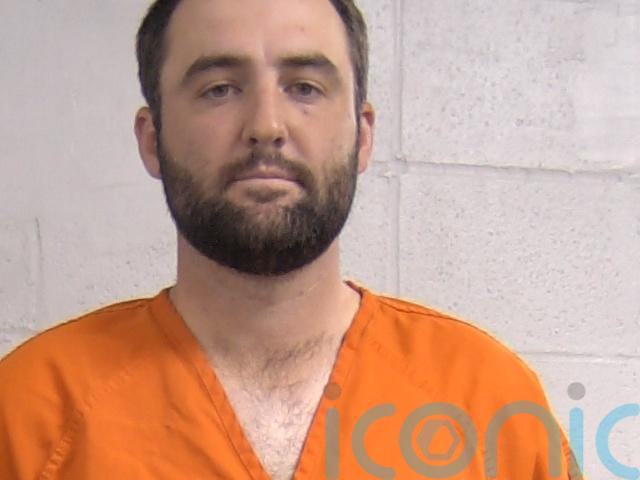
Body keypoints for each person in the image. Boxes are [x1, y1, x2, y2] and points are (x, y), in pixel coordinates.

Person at [0, 0, 582, 478]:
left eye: (304, 87)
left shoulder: (489, 403)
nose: (266, 126)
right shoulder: (29, 414)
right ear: (153, 139)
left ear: (362, 136)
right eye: (219, 89)